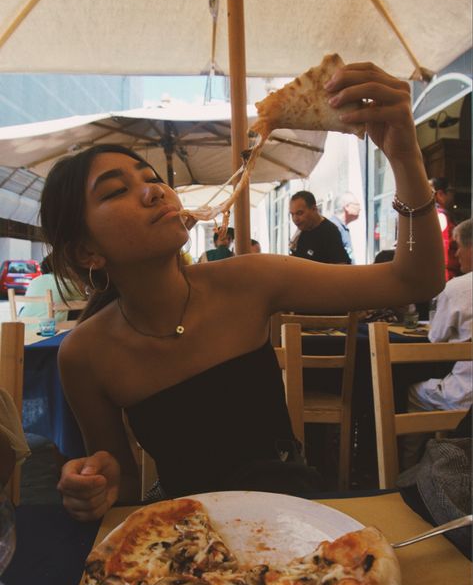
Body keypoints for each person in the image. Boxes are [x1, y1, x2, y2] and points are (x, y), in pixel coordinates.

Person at [39, 61, 445, 521]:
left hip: (294, 513)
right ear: (88, 251)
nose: (155, 192)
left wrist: (406, 158)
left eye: (152, 178)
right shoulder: (84, 356)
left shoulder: (249, 280)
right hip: (184, 542)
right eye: (116, 191)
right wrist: (98, 486)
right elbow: (125, 486)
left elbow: (415, 278)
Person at [402, 218, 472, 469]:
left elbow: (435, 339)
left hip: (463, 396)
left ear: (471, 247)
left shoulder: (458, 288)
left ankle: (409, 467)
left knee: (411, 393)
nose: (456, 253)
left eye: (458, 246)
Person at [289, 191, 351, 264]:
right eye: (292, 214)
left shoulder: (329, 232)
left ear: (314, 209)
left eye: (299, 213)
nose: (295, 219)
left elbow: (340, 265)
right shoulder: (301, 230)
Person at [19, 254, 84, 322]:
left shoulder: (34, 281)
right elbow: (85, 300)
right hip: (48, 328)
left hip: (25, 325)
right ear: (62, 268)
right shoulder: (64, 283)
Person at [429, 177, 461, 280]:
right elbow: (444, 250)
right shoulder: (440, 216)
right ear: (440, 194)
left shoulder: (432, 216)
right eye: (451, 191)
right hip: (446, 277)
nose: (453, 195)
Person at [329, 192, 361, 263]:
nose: (360, 208)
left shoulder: (341, 227)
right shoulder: (333, 228)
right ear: (347, 207)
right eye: (357, 205)